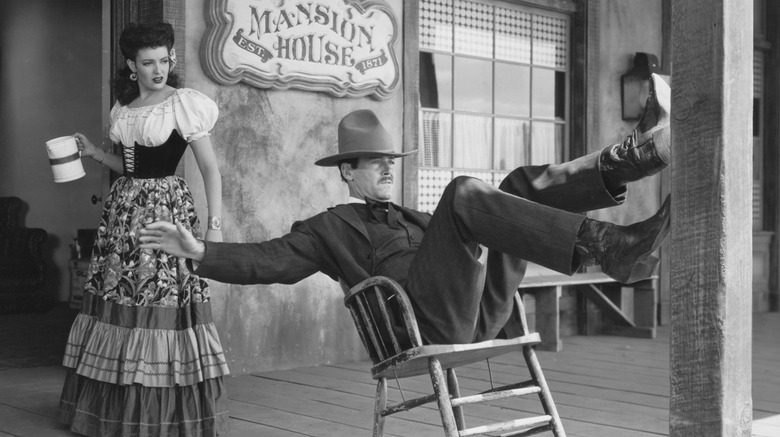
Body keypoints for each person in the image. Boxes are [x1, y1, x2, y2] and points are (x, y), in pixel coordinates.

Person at [140, 74, 672, 347]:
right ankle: (609, 246)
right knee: (464, 191)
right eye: (375, 164)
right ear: (347, 171)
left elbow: (469, 244)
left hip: (480, 313)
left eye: (392, 162)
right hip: (422, 326)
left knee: (512, 185)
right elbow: (268, 261)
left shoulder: (416, 219)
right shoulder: (329, 228)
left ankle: (632, 159)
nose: (389, 171)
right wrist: (201, 252)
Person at [59, 22, 229, 437]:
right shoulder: (124, 109)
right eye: (148, 62)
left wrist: (215, 227)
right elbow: (130, 166)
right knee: (119, 299)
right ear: (132, 66)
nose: (158, 69)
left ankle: (162, 419)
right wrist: (96, 153)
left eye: (164, 60)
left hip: (164, 213)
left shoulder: (183, 104)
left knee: (161, 299)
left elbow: (209, 169)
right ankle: (116, 416)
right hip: (122, 217)